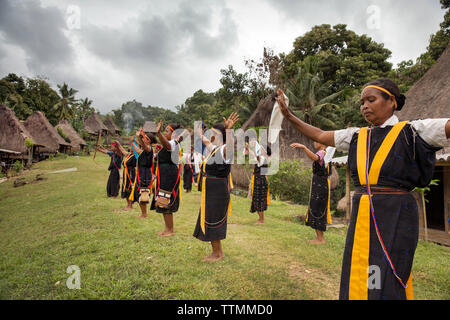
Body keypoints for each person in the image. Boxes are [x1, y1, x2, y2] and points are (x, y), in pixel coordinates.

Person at [275, 78, 450, 300]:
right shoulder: (357, 135)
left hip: (396, 213)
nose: (364, 106)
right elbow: (319, 135)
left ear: (392, 101)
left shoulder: (414, 130)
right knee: (361, 266)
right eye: (362, 102)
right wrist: (289, 115)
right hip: (363, 212)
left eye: (371, 99)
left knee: (387, 270)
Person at [193, 112, 239, 262]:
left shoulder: (225, 150)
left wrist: (229, 130)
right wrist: (200, 133)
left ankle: (217, 254)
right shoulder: (214, 148)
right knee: (209, 218)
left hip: (218, 192)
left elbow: (230, 147)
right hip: (211, 191)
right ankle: (217, 252)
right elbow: (206, 142)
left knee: (214, 220)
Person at [291, 141, 332, 244]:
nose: (314, 142)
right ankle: (319, 238)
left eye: (315, 140)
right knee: (316, 207)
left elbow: (315, 157)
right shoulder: (324, 152)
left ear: (322, 143)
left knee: (318, 208)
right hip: (319, 183)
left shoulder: (322, 152)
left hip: (320, 184)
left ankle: (321, 239)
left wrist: (304, 147)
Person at [151, 121, 183, 237]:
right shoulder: (169, 143)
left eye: (167, 131)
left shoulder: (174, 143)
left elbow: (168, 146)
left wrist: (158, 133)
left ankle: (170, 229)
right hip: (164, 174)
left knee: (166, 198)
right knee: (162, 199)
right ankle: (167, 228)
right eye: (164, 131)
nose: (165, 133)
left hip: (169, 175)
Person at [244, 140, 271, 224]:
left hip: (260, 181)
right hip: (259, 180)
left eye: (262, 149)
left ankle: (261, 220)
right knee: (257, 199)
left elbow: (257, 157)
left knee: (259, 199)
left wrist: (251, 148)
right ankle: (260, 219)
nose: (260, 150)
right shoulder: (264, 158)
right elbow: (255, 156)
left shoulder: (263, 158)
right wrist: (249, 149)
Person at [117, 139, 137, 211]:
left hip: (130, 173)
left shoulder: (135, 156)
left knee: (129, 188)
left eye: (132, 146)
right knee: (125, 187)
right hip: (126, 172)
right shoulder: (129, 154)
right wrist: (118, 144)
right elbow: (122, 151)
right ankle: (128, 204)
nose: (130, 147)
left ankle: (130, 205)